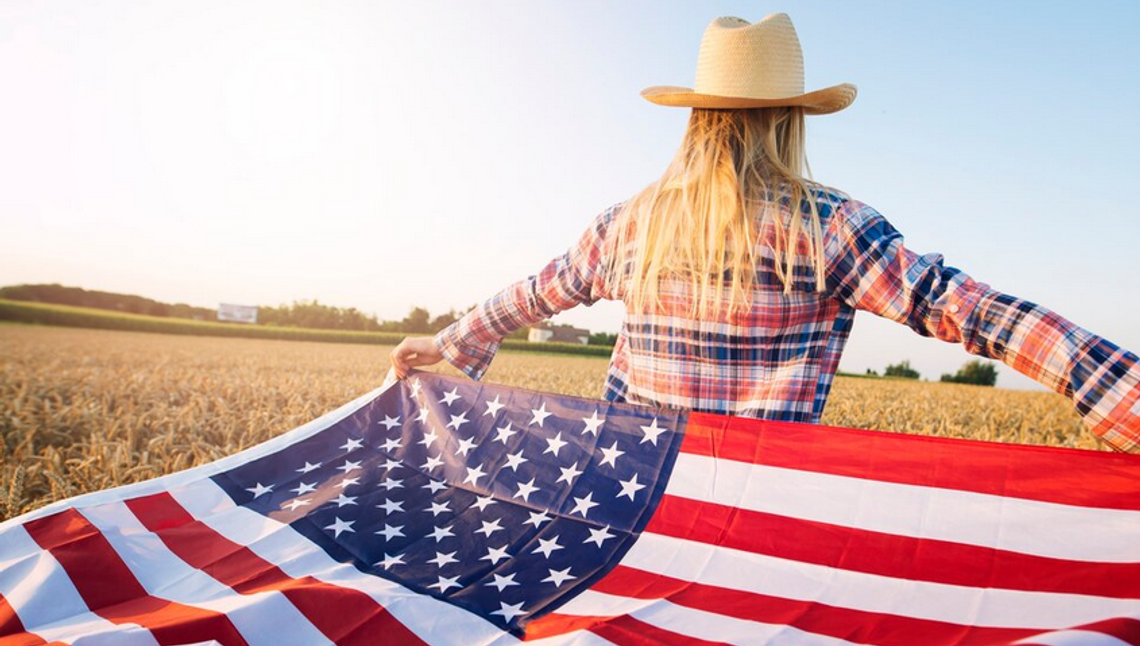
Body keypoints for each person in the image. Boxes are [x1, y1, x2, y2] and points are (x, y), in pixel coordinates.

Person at [390, 12, 1140, 453]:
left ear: (696, 114)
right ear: (790, 117)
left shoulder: (632, 225)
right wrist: (1124, 394)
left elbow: (536, 293)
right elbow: (968, 311)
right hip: (764, 511)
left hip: (626, 498)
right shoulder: (831, 229)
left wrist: (452, 343)